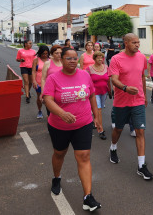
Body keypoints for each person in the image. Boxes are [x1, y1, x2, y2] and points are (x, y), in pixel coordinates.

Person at [43, 47, 102, 211]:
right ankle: (56, 177)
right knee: (59, 153)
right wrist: (62, 113)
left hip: (83, 123)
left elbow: (91, 95)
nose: (73, 61)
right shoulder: (53, 78)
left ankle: (88, 197)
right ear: (61, 60)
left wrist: (96, 117)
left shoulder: (84, 75)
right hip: (59, 125)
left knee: (83, 156)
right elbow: (47, 99)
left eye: (75, 58)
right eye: (68, 58)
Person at [108, 33, 153, 180]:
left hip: (138, 100)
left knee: (140, 131)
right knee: (119, 129)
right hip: (121, 101)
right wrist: (125, 88)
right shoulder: (116, 59)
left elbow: (142, 76)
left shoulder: (141, 57)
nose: (137, 45)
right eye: (134, 42)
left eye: (138, 42)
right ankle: (113, 147)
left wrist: (145, 95)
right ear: (125, 43)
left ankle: (141, 166)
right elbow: (114, 80)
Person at [86, 51, 111, 140]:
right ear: (94, 59)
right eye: (98, 58)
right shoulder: (89, 69)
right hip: (94, 93)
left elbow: (108, 80)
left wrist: (110, 91)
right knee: (98, 110)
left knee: (99, 110)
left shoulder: (106, 67)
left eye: (102, 58)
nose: (100, 59)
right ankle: (100, 130)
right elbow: (86, 82)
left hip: (104, 92)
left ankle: (95, 121)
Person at [41, 45, 63, 116]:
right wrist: (43, 93)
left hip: (62, 91)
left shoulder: (64, 63)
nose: (59, 55)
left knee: (62, 111)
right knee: (51, 112)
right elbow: (43, 79)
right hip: (50, 91)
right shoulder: (48, 63)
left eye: (60, 53)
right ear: (52, 54)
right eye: (56, 53)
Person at [31, 45, 49, 119]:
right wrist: (34, 81)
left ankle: (49, 112)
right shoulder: (36, 60)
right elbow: (33, 71)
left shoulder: (50, 60)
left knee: (49, 98)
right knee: (40, 98)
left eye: (46, 53)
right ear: (40, 53)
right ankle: (40, 110)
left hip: (49, 82)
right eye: (43, 53)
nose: (45, 55)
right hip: (39, 82)